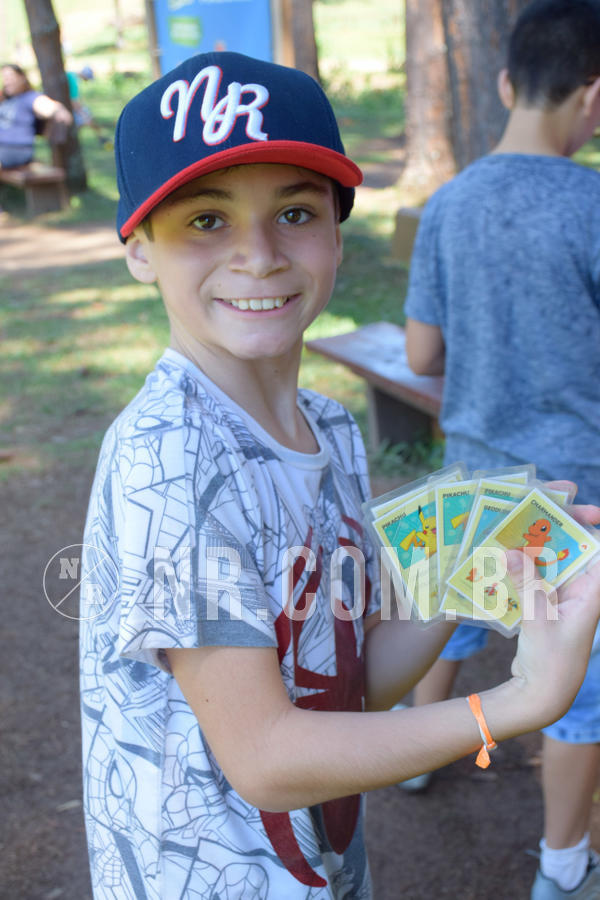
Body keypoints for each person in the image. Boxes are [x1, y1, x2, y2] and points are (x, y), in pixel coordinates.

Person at [79, 49, 600, 899]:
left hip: (322, 870)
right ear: (139, 248)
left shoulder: (327, 426)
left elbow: (341, 685)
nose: (258, 254)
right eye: (205, 220)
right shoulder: (167, 453)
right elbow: (268, 758)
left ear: (335, 230)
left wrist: (460, 566)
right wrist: (512, 703)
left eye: (294, 211)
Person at [403, 0, 600, 896]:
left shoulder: (449, 202)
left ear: (508, 81)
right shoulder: (593, 204)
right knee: (583, 685)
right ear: (593, 98)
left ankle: (407, 755)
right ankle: (562, 868)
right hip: (577, 488)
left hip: (475, 474)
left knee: (453, 620)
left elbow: (420, 354)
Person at [0, 63, 72, 169]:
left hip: (17, 149)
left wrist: (57, 110)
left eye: (11, 77)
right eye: (4, 78)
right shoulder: (6, 99)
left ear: (22, 78)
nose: (7, 81)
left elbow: (45, 106)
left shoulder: (29, 97)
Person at [66, 65, 112, 149]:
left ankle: (100, 138)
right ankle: (101, 139)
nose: (86, 80)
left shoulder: (72, 76)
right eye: (87, 78)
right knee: (85, 120)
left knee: (82, 123)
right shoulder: (74, 80)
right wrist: (82, 112)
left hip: (69, 105)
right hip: (69, 106)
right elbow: (74, 100)